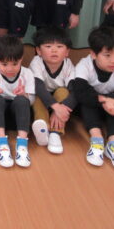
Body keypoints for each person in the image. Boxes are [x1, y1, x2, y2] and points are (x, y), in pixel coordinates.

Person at [73, 26, 114, 173]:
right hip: (87, 107)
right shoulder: (84, 65)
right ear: (93, 54)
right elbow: (80, 93)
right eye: (107, 55)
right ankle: (96, 140)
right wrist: (105, 101)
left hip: (108, 110)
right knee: (89, 96)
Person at [0, 35, 36, 168]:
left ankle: (22, 145)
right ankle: (2, 145)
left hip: (18, 118)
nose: (10, 69)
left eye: (15, 63)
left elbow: (32, 101)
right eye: (4, 64)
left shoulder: (27, 74)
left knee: (22, 100)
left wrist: (24, 94)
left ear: (21, 59)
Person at [29, 26, 77, 154]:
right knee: (36, 97)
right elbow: (38, 86)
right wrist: (55, 106)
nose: (54, 50)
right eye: (48, 46)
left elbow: (75, 90)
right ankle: (43, 128)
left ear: (67, 52)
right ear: (38, 50)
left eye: (60, 47)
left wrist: (61, 108)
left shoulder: (68, 65)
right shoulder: (36, 62)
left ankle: (56, 132)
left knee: (63, 91)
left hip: (59, 100)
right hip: (42, 96)